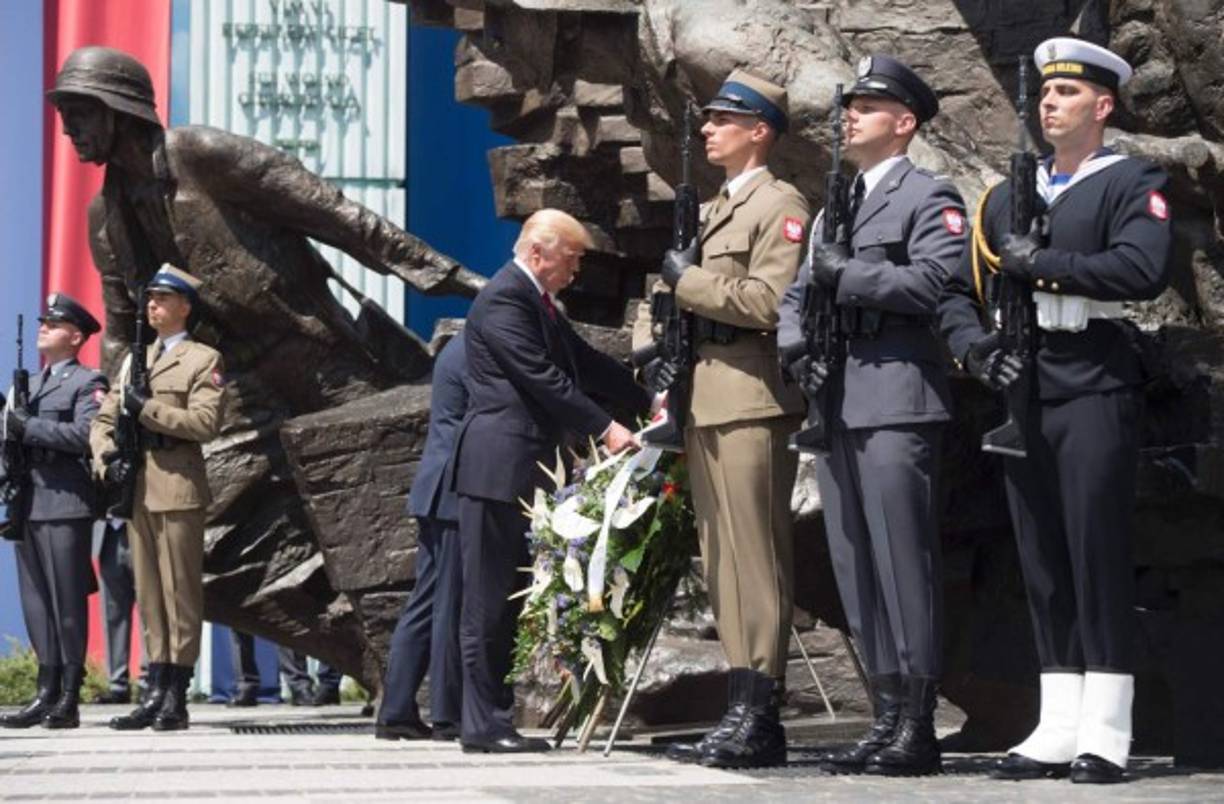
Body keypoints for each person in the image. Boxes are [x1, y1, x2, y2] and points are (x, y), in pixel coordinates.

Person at [939, 37, 1171, 785]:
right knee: (1040, 560)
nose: (1049, 103)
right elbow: (956, 291)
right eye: (1043, 93)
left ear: (1102, 107)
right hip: (1024, 382)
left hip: (1094, 378)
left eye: (1067, 94)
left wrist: (1041, 263)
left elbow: (1141, 267)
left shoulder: (1131, 181)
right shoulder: (1007, 193)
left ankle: (1105, 730)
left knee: (1093, 551)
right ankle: (1058, 723)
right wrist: (977, 350)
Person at [778, 55, 967, 777]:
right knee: (856, 564)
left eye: (867, 105)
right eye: (849, 104)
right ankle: (884, 712)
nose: (849, 115)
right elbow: (797, 297)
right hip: (837, 396)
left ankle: (918, 722)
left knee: (902, 562)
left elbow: (935, 281)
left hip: (896, 393)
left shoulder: (929, 194)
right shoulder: (837, 204)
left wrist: (846, 275)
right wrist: (798, 348)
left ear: (905, 122)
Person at [634, 69, 810, 769]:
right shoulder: (713, 209)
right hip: (706, 395)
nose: (709, 130)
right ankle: (742, 702)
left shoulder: (780, 204)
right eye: (708, 120)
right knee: (722, 562)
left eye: (722, 119)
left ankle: (761, 709)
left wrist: (689, 282)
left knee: (756, 558)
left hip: (751, 395)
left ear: (759, 130)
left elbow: (770, 302)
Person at [452, 209, 653, 753]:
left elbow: (581, 362)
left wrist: (647, 399)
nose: (576, 270)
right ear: (539, 252)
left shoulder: (534, 299)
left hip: (524, 464)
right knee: (488, 601)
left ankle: (494, 718)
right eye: (572, 258)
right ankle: (483, 724)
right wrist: (608, 429)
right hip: (497, 466)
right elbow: (540, 378)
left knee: (509, 599)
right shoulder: (503, 298)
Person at [90, 264, 226, 732]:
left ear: (185, 307)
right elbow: (104, 420)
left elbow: (204, 424)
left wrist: (146, 408)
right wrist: (107, 459)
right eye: (150, 298)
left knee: (179, 593)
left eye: (163, 299)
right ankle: (154, 685)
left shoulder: (202, 359)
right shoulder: (134, 360)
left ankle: (177, 692)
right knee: (148, 593)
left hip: (177, 485)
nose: (152, 306)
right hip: (137, 487)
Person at [0, 294, 106, 730]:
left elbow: (86, 435)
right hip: (28, 501)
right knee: (36, 603)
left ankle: (68, 695)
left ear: (75, 336)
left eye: (54, 323)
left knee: (66, 602)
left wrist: (29, 426)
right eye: (43, 322)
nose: (44, 327)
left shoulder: (87, 381)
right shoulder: (30, 383)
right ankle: (45, 691)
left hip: (65, 499)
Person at [377, 334, 467, 742]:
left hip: (438, 488)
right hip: (454, 490)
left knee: (427, 601)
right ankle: (447, 714)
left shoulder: (458, 347)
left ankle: (396, 709)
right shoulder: (475, 348)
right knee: (448, 602)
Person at [96, 519, 147, 704]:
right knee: (113, 614)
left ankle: (148, 682)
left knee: (148, 613)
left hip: (141, 529)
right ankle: (117, 685)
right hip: (108, 532)